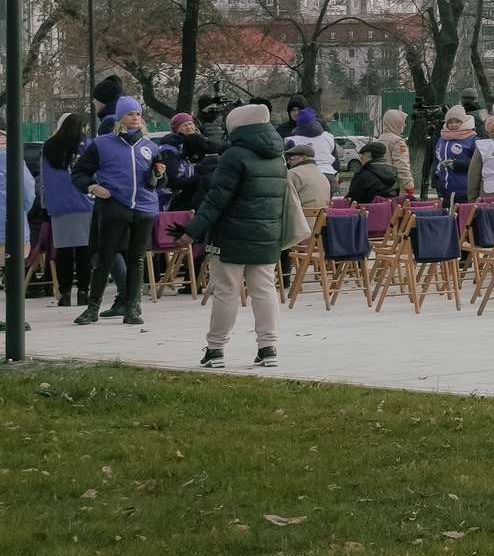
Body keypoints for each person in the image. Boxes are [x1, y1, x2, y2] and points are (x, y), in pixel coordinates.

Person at [185, 102, 289, 369]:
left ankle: (216, 350)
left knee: (226, 292)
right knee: (265, 290)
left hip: (231, 236)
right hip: (267, 234)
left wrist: (193, 229)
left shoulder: (234, 155)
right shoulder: (278, 157)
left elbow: (216, 199)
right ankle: (268, 348)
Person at [72, 97, 175, 327]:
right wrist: (92, 187)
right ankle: (92, 308)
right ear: (120, 118)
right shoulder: (102, 144)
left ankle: (132, 307)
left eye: (138, 114)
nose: (135, 118)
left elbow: (160, 182)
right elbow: (79, 172)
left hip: (144, 209)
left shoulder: (150, 147)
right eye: (130, 114)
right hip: (114, 206)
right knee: (104, 257)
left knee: (136, 259)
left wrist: (159, 176)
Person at [40, 113, 92, 307]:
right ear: (82, 127)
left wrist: (45, 204)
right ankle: (84, 292)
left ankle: (65, 294)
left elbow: (43, 179)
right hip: (85, 201)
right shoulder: (89, 145)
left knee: (63, 250)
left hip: (59, 204)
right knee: (84, 250)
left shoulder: (49, 146)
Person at [430, 107, 478, 207]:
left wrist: (456, 164)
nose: (454, 125)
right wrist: (435, 174)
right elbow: (436, 158)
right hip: (444, 189)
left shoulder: (472, 139)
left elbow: (478, 162)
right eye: (450, 122)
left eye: (457, 121)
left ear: (463, 122)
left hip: (463, 188)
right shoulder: (442, 138)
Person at [283, 140, 332, 222]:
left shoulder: (294, 173)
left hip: (300, 224)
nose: (288, 162)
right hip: (321, 223)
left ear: (304, 158)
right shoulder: (321, 175)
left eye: (291, 158)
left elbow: (285, 201)